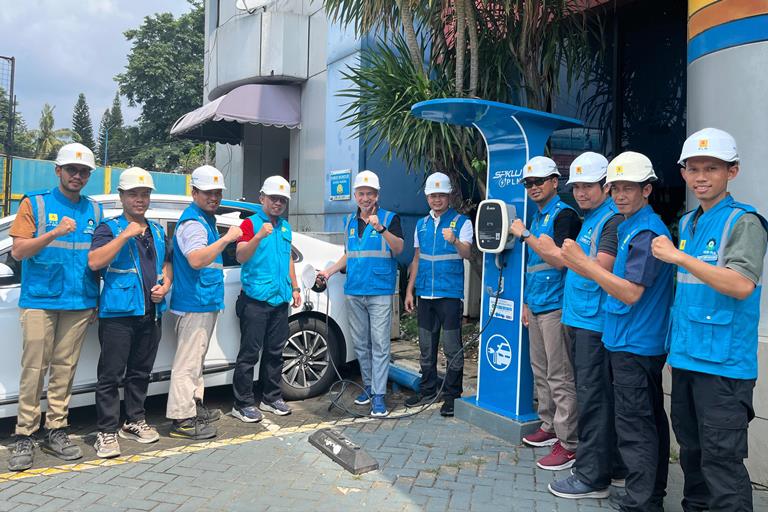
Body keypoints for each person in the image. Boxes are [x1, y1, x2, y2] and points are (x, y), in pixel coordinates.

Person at [652, 128, 767, 512]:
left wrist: (679, 257)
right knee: (692, 454)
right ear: (683, 173)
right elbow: (688, 293)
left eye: (712, 168)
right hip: (687, 358)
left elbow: (740, 284)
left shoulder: (744, 222)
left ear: (732, 171)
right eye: (693, 168)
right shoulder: (689, 223)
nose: (701, 177)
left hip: (724, 367)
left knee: (721, 463)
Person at [561, 151, 674, 512]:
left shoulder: (645, 232)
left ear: (647, 190)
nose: (621, 195)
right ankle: (648, 496)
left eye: (630, 188)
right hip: (625, 339)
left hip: (635, 343)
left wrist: (583, 264)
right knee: (644, 421)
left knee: (636, 426)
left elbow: (630, 292)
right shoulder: (629, 226)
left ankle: (642, 502)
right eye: (617, 188)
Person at [7, 143, 102, 471]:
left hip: (79, 302)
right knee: (34, 369)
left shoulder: (95, 210)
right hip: (40, 301)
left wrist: (96, 300)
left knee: (65, 369)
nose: (77, 176)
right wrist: (55, 232)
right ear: (58, 170)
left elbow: (96, 259)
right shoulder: (35, 203)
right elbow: (19, 251)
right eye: (72, 170)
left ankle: (56, 429)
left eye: (84, 172)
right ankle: (25, 433)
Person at [547, 152, 627, 499]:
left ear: (605, 186)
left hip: (594, 323)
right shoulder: (592, 218)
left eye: (588, 186)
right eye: (577, 186)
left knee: (593, 399)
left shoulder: (611, 221)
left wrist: (565, 256)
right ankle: (613, 466)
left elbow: (601, 268)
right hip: (581, 318)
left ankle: (593, 476)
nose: (580, 193)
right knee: (596, 397)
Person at [87, 168, 172, 458]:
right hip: (118, 314)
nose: (140, 199)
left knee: (140, 372)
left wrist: (166, 285)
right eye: (133, 194)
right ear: (122, 197)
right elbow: (95, 262)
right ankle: (106, 431)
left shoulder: (157, 230)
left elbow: (167, 264)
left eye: (145, 194)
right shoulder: (109, 228)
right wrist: (125, 235)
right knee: (110, 375)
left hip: (151, 312)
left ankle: (134, 420)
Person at [508, 156, 582, 471]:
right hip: (537, 304)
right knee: (541, 371)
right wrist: (526, 302)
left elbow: (560, 260)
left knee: (560, 375)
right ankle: (549, 426)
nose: (533, 187)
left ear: (554, 182)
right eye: (529, 183)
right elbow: (533, 267)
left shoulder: (564, 215)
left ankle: (569, 443)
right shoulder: (538, 217)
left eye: (539, 181)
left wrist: (525, 235)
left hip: (556, 305)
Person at [319, 170, 404, 417]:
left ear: (377, 195)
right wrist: (330, 271)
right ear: (355, 195)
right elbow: (350, 254)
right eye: (361, 193)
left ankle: (379, 396)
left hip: (379, 290)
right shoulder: (349, 221)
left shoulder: (389, 218)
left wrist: (381, 229)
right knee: (361, 344)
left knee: (380, 344)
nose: (365, 198)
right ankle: (368, 385)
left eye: (370, 194)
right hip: (354, 290)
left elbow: (399, 249)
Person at [166, 165, 241, 439]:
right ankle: (182, 419)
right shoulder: (194, 223)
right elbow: (197, 259)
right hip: (194, 303)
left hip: (203, 301)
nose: (214, 197)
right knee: (187, 365)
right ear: (194, 192)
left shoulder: (204, 219)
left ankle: (194, 406)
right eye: (208, 192)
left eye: (217, 192)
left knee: (196, 362)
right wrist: (227, 238)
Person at [231, 176, 301, 422]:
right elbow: (240, 256)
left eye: (282, 200)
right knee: (249, 354)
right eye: (273, 198)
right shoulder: (250, 224)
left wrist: (295, 287)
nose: (278, 203)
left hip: (280, 299)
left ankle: (271, 398)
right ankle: (242, 403)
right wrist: (258, 236)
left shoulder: (285, 227)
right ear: (262, 198)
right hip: (255, 300)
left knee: (275, 352)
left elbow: (288, 258)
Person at [404, 172, 473, 417]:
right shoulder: (421, 224)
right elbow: (416, 258)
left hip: (450, 295)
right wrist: (409, 290)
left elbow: (467, 253)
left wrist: (455, 241)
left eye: (441, 195)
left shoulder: (462, 222)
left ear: (449, 196)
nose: (437, 199)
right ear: (427, 197)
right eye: (433, 195)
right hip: (425, 293)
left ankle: (452, 395)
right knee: (426, 347)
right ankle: (427, 390)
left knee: (452, 347)